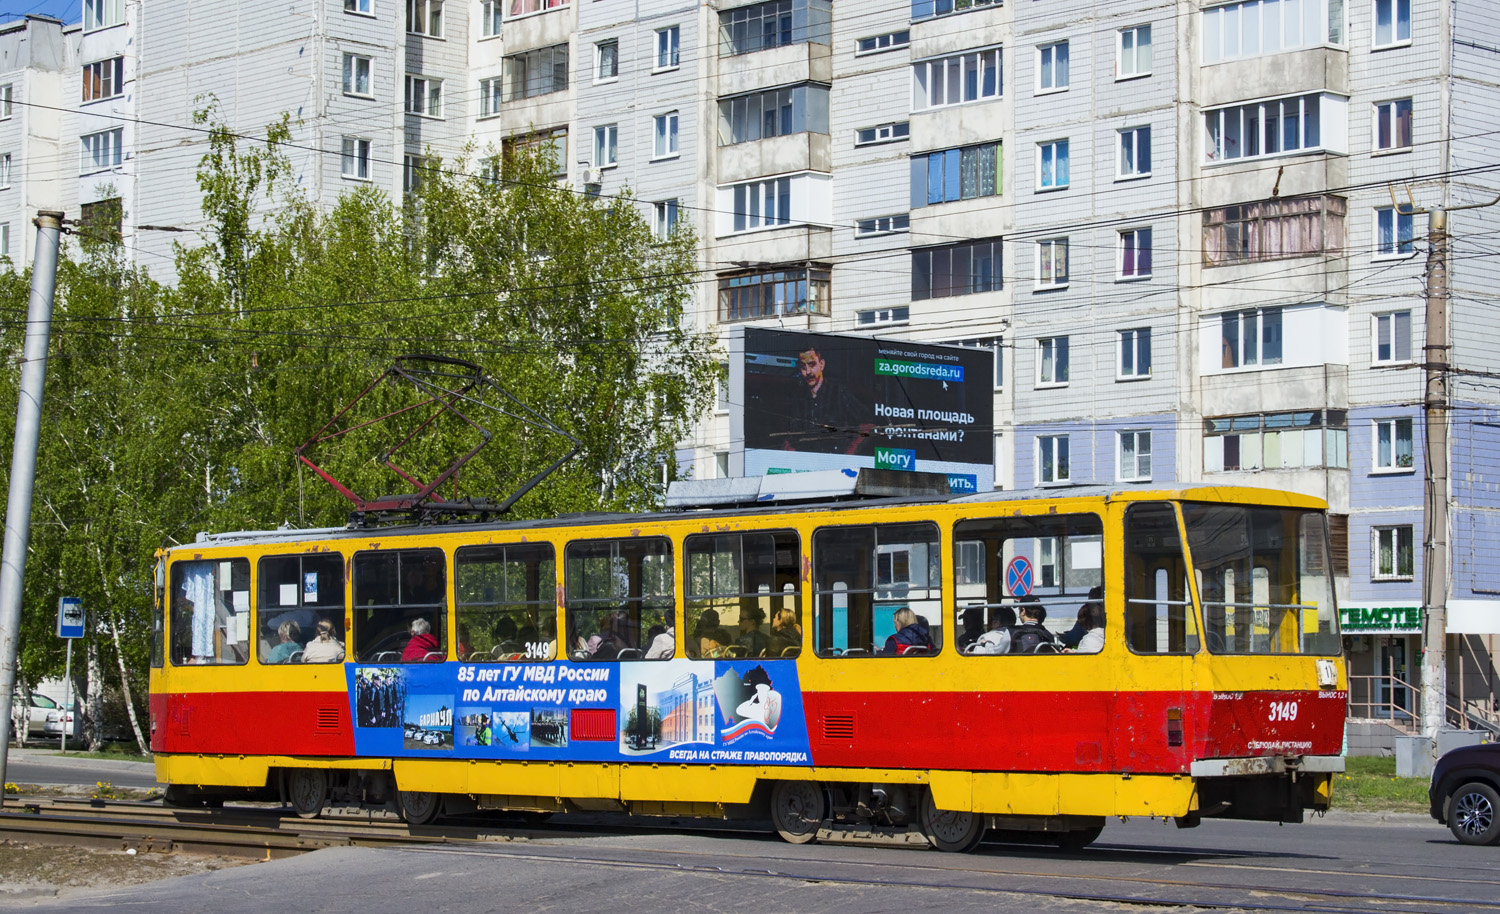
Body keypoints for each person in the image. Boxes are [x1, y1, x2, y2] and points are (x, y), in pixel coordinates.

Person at [786, 347, 872, 456]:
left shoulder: (838, 392)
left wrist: (850, 452)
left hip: (836, 465)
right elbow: (789, 437)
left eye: (812, 365)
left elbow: (868, 424)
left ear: (821, 364)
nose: (808, 372)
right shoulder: (798, 398)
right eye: (803, 367)